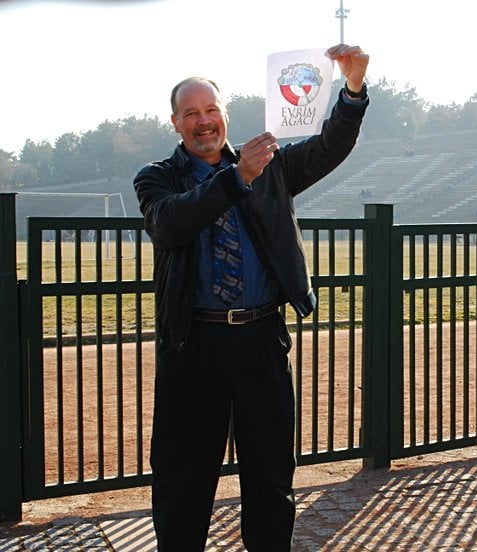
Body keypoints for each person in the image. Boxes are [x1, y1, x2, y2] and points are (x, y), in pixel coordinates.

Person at [133, 44, 369, 551]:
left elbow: (328, 147)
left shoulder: (268, 165)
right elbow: (170, 223)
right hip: (193, 345)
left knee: (270, 475)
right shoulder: (157, 178)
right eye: (191, 113)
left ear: (225, 115)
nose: (203, 121)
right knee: (183, 479)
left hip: (262, 339)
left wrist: (351, 91)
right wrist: (236, 178)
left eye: (211, 110)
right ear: (175, 123)